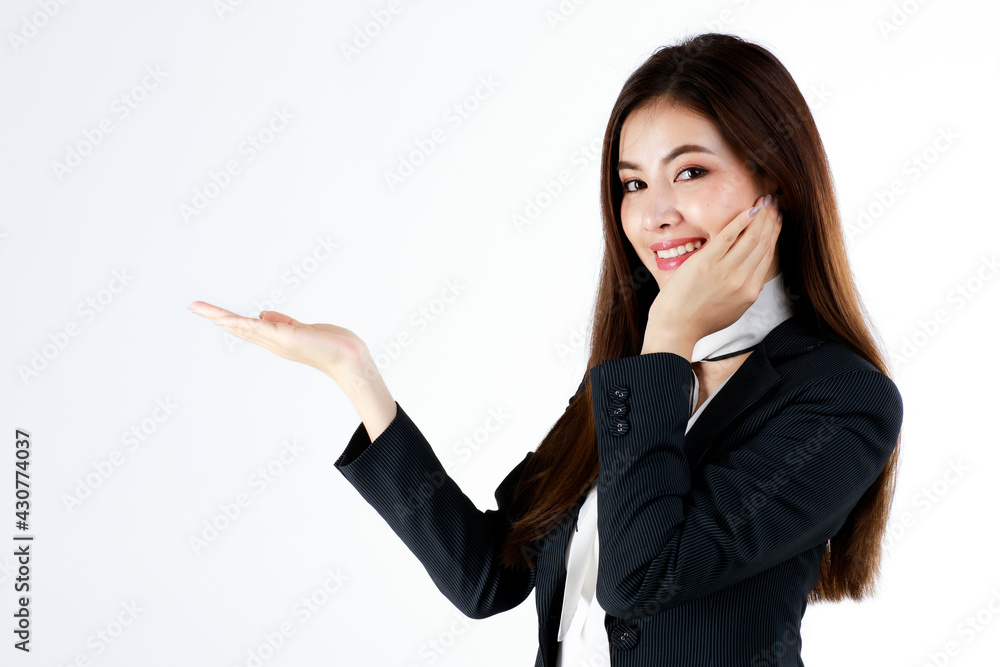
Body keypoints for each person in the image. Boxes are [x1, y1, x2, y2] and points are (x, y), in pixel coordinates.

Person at [189, 32, 903, 667]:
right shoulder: (624, 379)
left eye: (690, 172)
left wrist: (667, 342)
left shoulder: (842, 397)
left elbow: (642, 577)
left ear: (775, 184)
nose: (655, 214)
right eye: (632, 183)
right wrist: (356, 373)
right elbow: (488, 572)